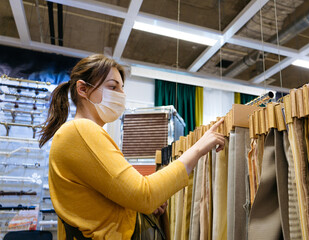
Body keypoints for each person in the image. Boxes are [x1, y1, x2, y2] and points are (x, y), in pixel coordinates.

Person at [39, 54, 225, 240]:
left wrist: (135, 206)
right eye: (113, 87)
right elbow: (144, 194)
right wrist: (197, 149)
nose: (121, 94)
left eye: (121, 88)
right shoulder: (81, 130)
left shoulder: (80, 132)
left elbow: (103, 201)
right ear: (83, 89)